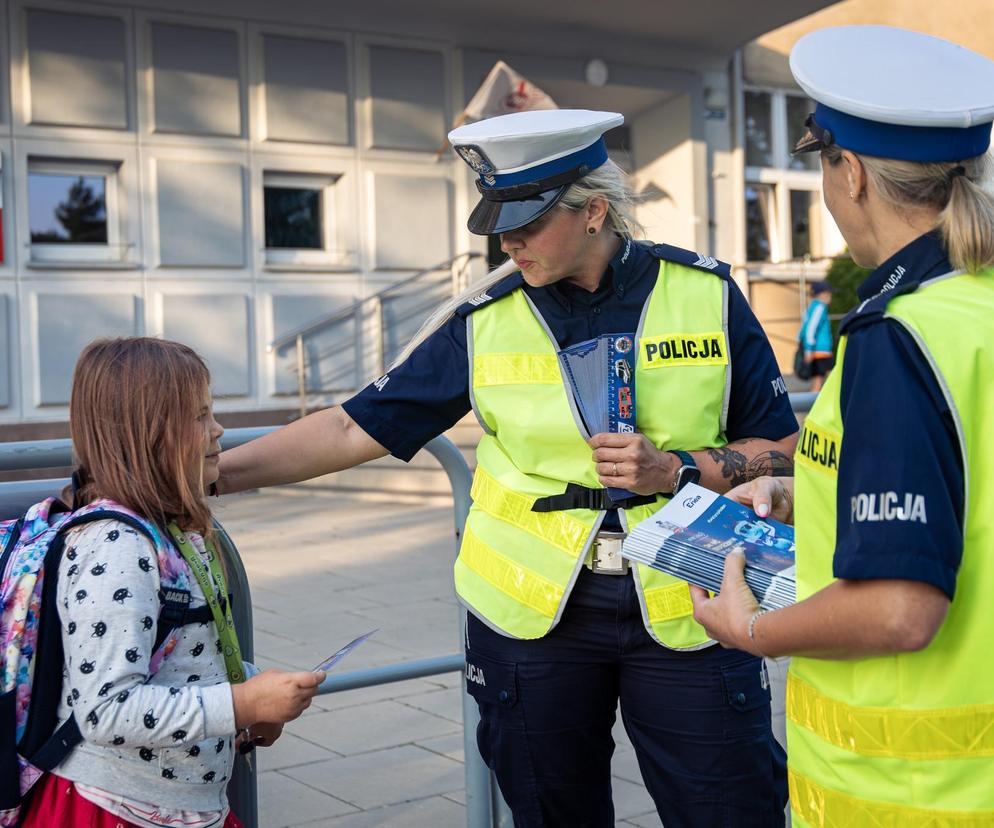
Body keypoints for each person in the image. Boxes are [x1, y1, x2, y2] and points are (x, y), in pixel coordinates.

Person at [218, 109, 798, 826]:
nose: (507, 238)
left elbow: (781, 447)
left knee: (730, 811)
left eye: (527, 219)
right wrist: (211, 476)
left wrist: (677, 468)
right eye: (499, 219)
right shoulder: (484, 318)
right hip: (534, 621)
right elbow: (351, 425)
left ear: (593, 212)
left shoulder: (706, 294)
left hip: (693, 603)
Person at [689, 25, 994, 827]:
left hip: (914, 796)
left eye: (821, 166)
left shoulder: (900, 337)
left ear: (849, 172)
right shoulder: (976, 305)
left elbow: (898, 609)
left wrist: (750, 627)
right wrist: (817, 496)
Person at [21, 338, 324, 828]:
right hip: (116, 809)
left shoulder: (169, 532)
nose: (218, 429)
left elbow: (181, 656)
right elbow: (106, 711)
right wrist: (242, 702)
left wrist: (250, 686)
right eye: (199, 416)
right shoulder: (117, 545)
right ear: (147, 434)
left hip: (178, 804)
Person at [798, 280, 834, 390]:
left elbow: (803, 330)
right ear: (823, 294)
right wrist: (808, 350)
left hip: (817, 351)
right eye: (829, 294)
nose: (830, 297)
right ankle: (815, 405)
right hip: (820, 351)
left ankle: (815, 404)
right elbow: (810, 329)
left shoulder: (812, 307)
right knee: (822, 381)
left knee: (819, 380)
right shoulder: (819, 307)